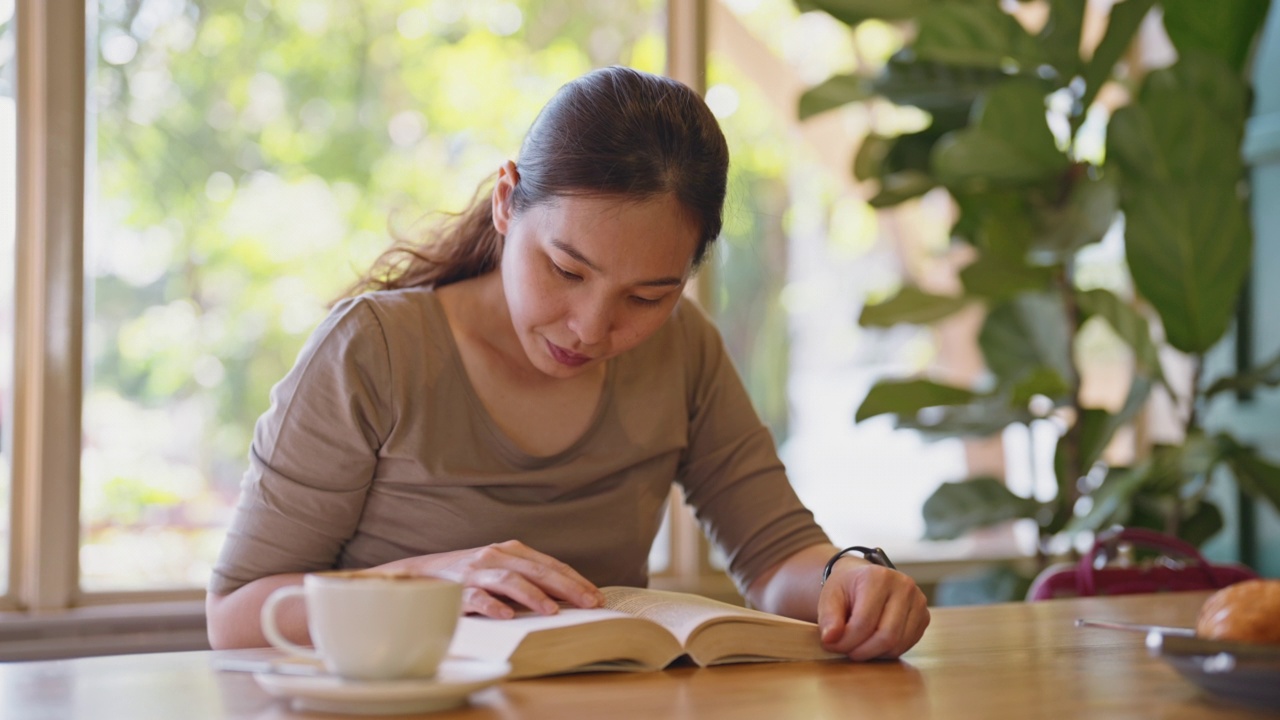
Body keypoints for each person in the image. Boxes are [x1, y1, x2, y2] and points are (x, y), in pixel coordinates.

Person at [205, 65, 929, 661]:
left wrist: (851, 582)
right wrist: (429, 579)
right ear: (505, 203)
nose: (591, 328)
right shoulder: (374, 350)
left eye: (647, 296)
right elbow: (234, 617)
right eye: (565, 270)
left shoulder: (685, 349)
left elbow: (777, 558)